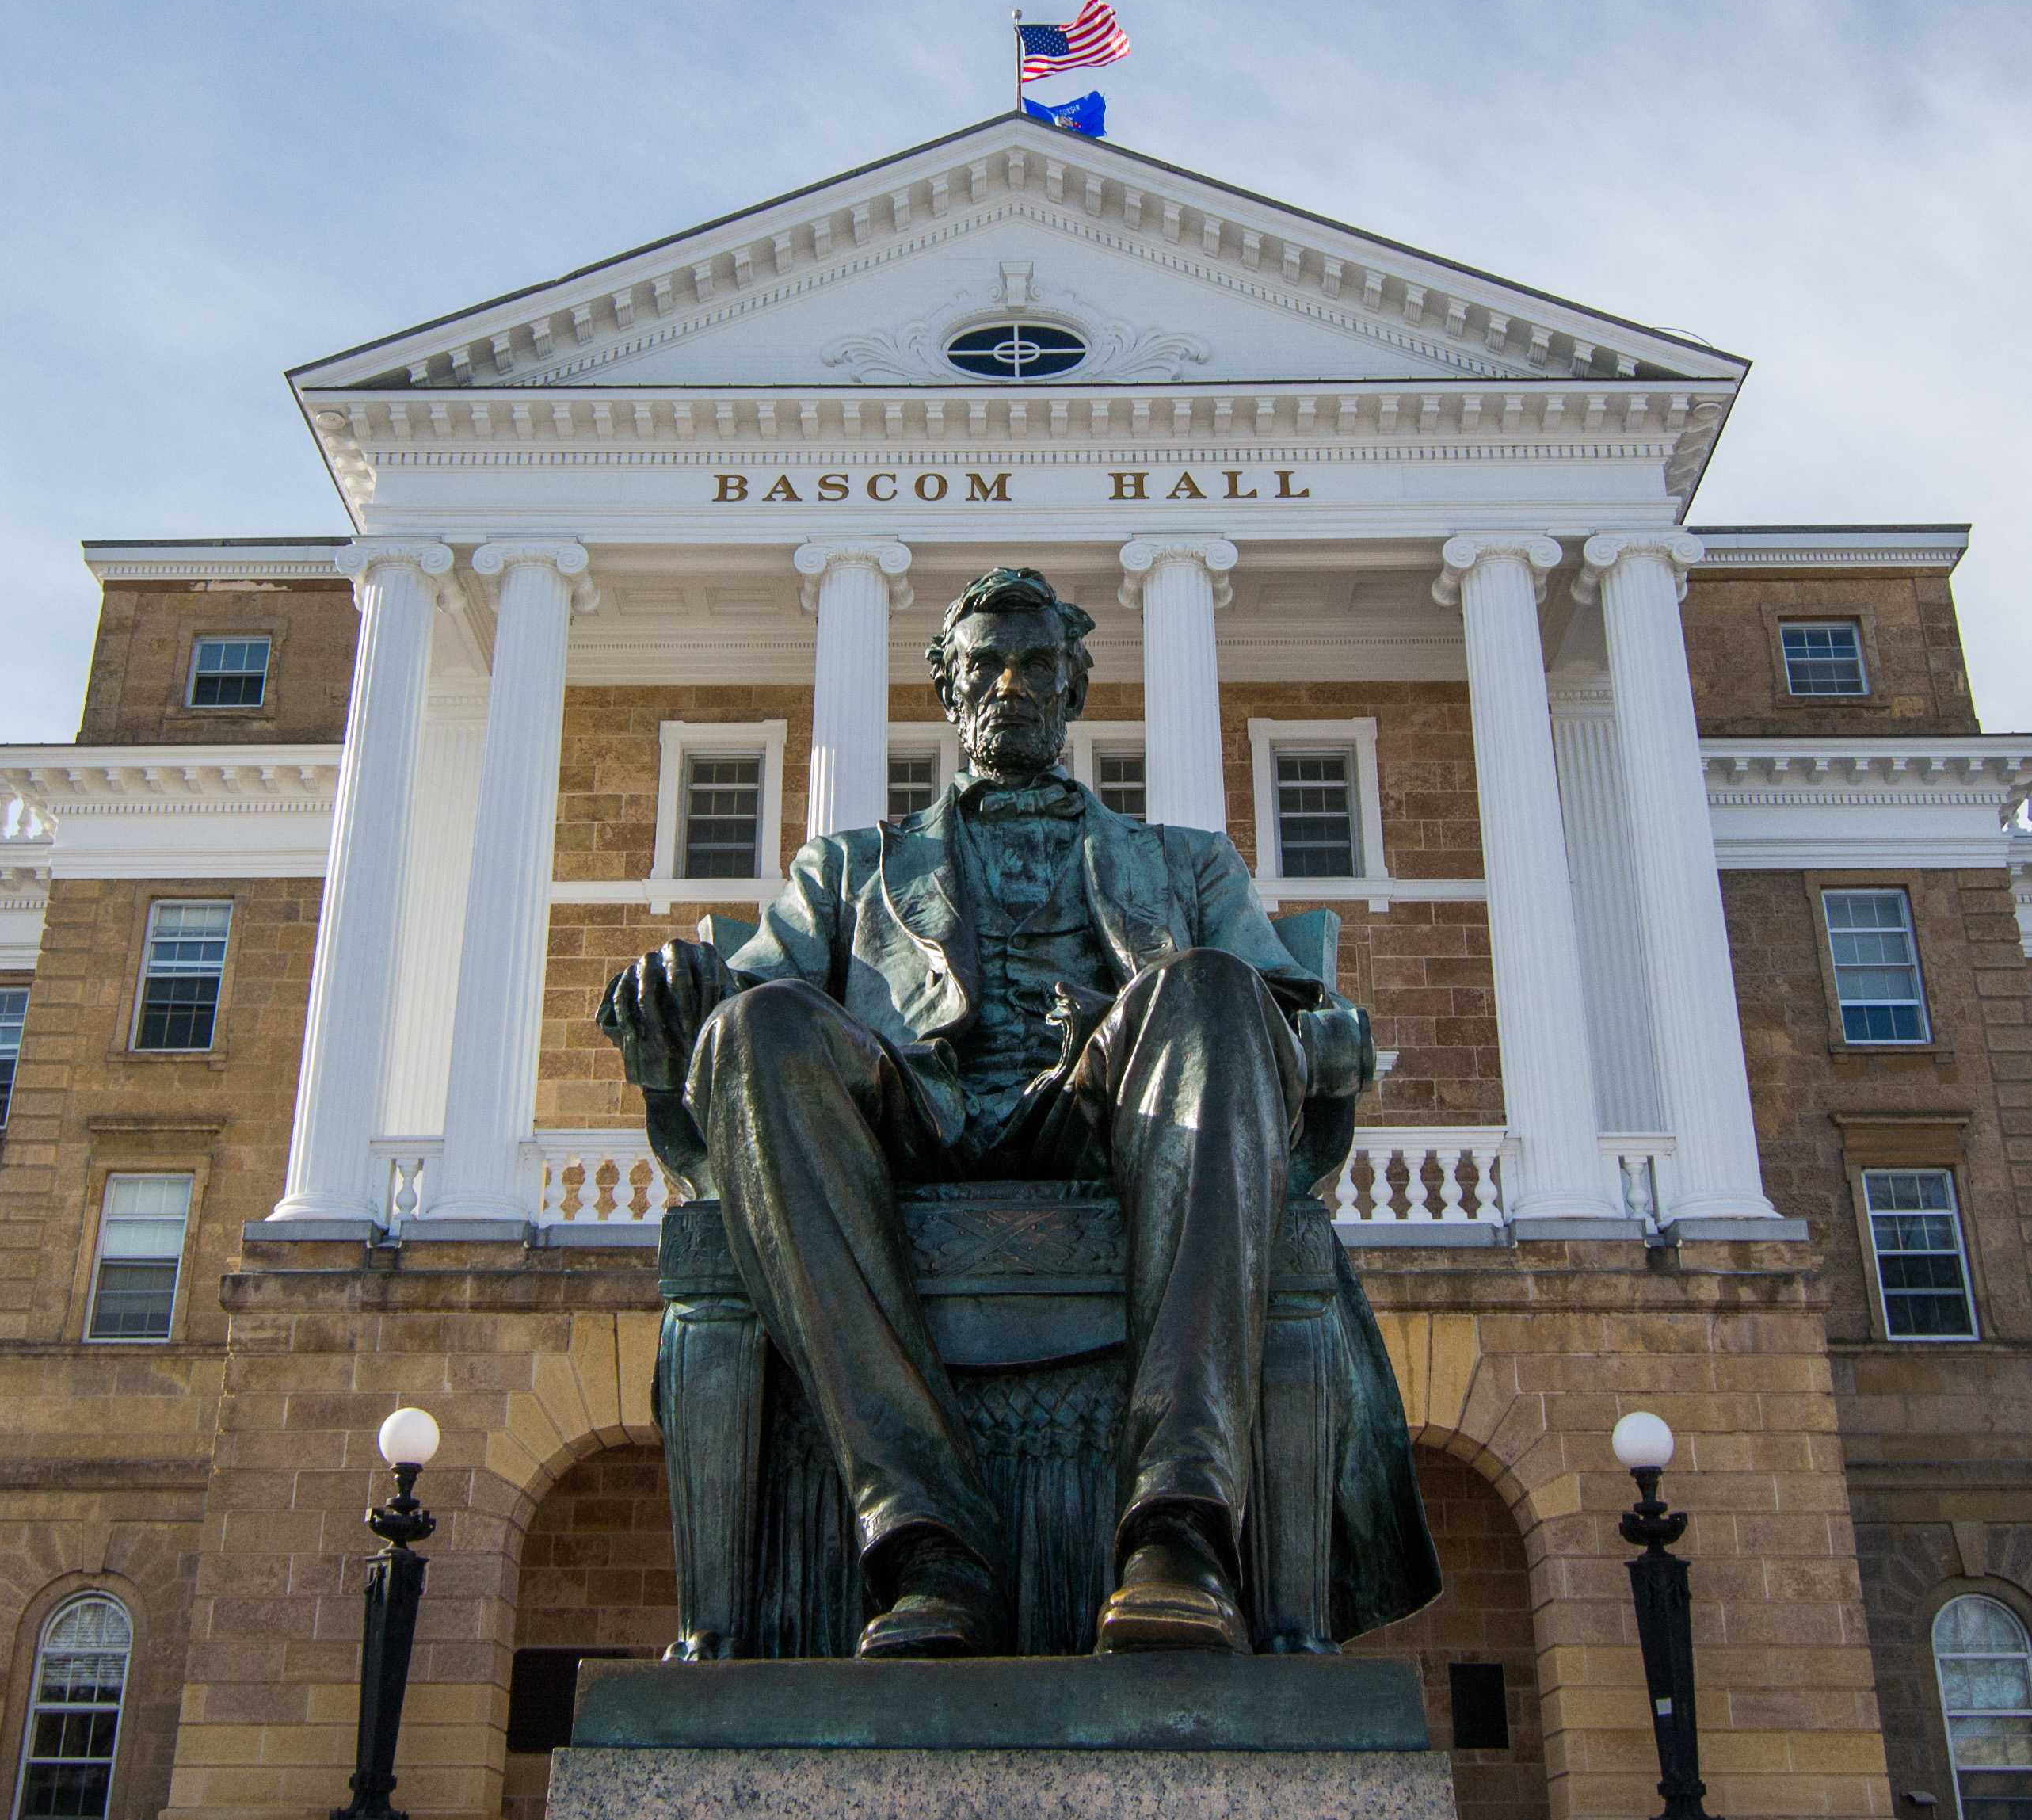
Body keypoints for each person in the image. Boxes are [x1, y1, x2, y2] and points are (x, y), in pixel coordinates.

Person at [598, 566, 1432, 1656]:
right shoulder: (849, 865)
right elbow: (749, 1006)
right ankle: (924, 1538)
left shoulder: (1185, 862)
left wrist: (1171, 1014)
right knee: (759, 1036)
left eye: (1038, 664)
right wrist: (675, 997)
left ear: (1076, 691)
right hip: (910, 1125)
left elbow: (1292, 1026)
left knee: (1210, 987)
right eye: (984, 664)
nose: (1012, 684)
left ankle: (1176, 1531)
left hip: (1112, 1119)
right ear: (947, 692)